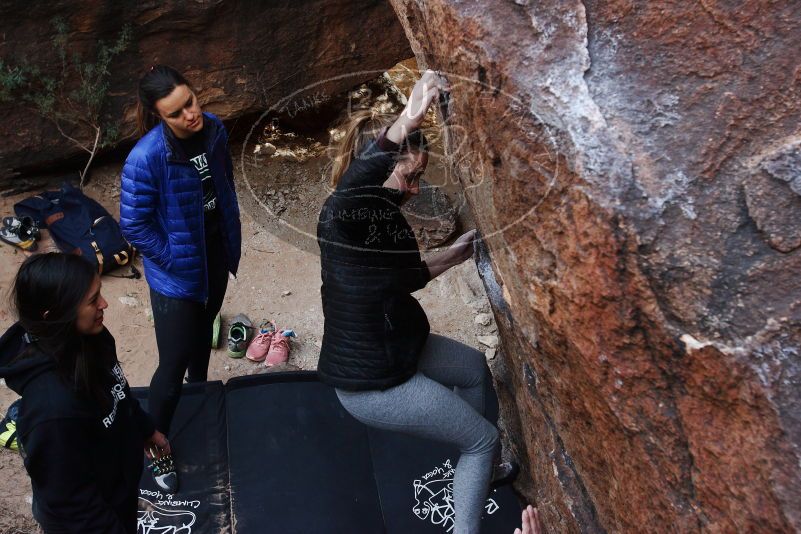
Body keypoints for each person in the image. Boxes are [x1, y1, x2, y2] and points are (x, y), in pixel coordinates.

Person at [316, 70, 515, 534]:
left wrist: (456, 253)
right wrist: (409, 116)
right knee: (482, 441)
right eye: (410, 175)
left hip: (395, 345)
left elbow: (406, 278)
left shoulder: (381, 217)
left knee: (472, 370)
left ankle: (483, 471)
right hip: (372, 383)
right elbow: (356, 185)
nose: (416, 188)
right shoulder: (343, 214)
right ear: (381, 167)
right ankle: (480, 468)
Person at [120, 65, 242, 492]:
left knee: (201, 342)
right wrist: (172, 257)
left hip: (213, 254)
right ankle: (155, 448)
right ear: (159, 117)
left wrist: (227, 233)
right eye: (176, 112)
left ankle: (201, 394)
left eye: (190, 101)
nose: (190, 114)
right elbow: (133, 225)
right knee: (171, 364)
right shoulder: (146, 157)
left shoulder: (214, 129)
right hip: (176, 274)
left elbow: (222, 182)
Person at [0, 253, 169, 533]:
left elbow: (118, 390)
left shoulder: (93, 337)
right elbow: (74, 508)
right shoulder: (52, 412)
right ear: (54, 315)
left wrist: (145, 429)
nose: (104, 303)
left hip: (116, 492)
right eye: (93, 300)